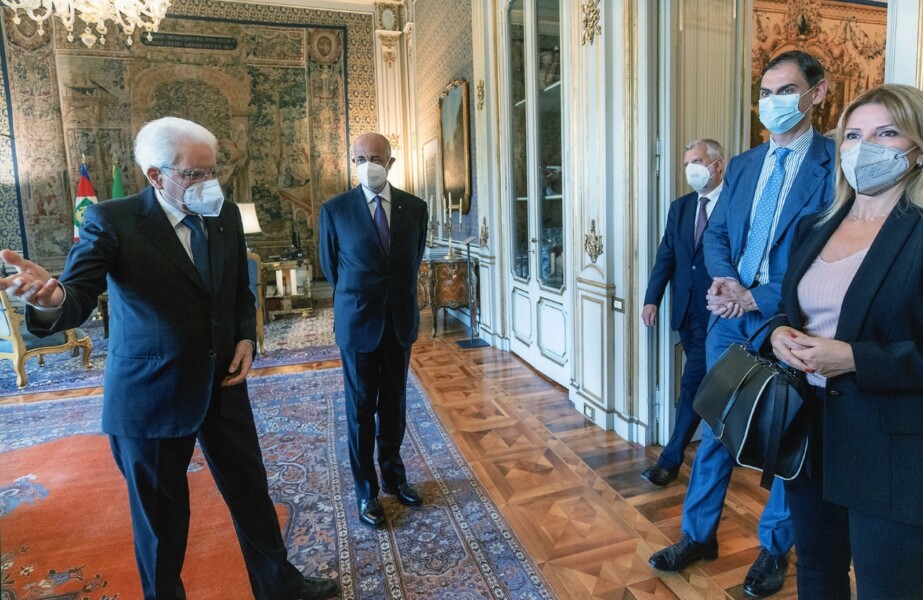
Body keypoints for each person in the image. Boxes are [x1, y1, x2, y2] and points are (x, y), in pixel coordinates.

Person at [0, 117, 338, 600]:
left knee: (252, 495)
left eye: (213, 171)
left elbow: (238, 292)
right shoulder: (112, 220)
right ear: (155, 175)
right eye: (195, 174)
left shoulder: (224, 215)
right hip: (151, 395)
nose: (209, 183)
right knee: (162, 524)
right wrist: (50, 299)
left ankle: (281, 587)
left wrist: (246, 338)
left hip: (223, 382)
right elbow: (76, 295)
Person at [648, 50, 836, 599]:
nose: (773, 102)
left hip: (793, 321)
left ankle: (774, 549)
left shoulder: (834, 164)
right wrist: (728, 284)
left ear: (818, 93)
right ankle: (697, 536)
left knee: (785, 436)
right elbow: (718, 235)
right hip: (731, 321)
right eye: (766, 92)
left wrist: (756, 296)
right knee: (716, 429)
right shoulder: (747, 164)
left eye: (787, 91)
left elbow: (828, 251)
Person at [769, 84, 923, 599]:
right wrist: (778, 332)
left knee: (888, 587)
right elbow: (793, 308)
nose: (865, 147)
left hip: (891, 447)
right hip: (810, 433)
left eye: (886, 133)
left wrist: (856, 358)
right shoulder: (815, 226)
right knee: (817, 574)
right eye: (853, 136)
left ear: (918, 147)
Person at [318, 133, 428, 529]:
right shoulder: (335, 210)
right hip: (358, 322)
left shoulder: (416, 208)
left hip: (399, 322)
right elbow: (331, 268)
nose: (369, 165)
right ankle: (366, 491)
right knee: (361, 409)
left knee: (394, 405)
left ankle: (395, 478)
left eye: (376, 158)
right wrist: (361, 296)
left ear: (391, 162)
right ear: (353, 163)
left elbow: (413, 260)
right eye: (360, 158)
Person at [640, 138, 725, 486]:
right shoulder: (681, 207)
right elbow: (667, 256)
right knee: (708, 384)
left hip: (721, 313)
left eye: (698, 161)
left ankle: (670, 460)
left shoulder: (736, 203)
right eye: (687, 163)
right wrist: (652, 299)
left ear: (718, 164)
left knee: (692, 384)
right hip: (687, 312)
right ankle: (727, 450)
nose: (691, 169)